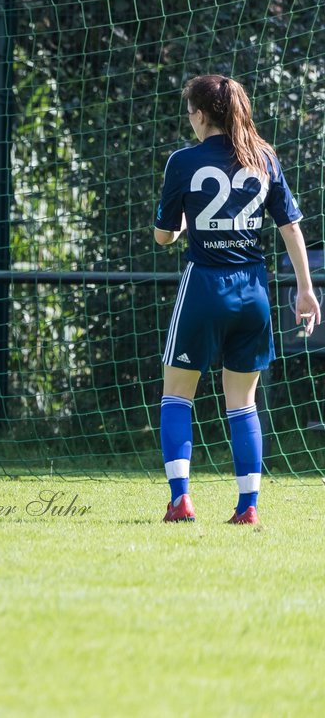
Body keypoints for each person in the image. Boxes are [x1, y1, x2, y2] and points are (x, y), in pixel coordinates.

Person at [153, 73, 319, 525]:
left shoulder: (182, 161)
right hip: (252, 292)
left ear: (202, 114)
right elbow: (290, 227)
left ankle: (181, 500)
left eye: (190, 111)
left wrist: (183, 227)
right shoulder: (264, 157)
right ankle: (248, 508)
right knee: (243, 402)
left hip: (204, 287)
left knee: (177, 397)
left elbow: (164, 235)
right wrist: (306, 290)